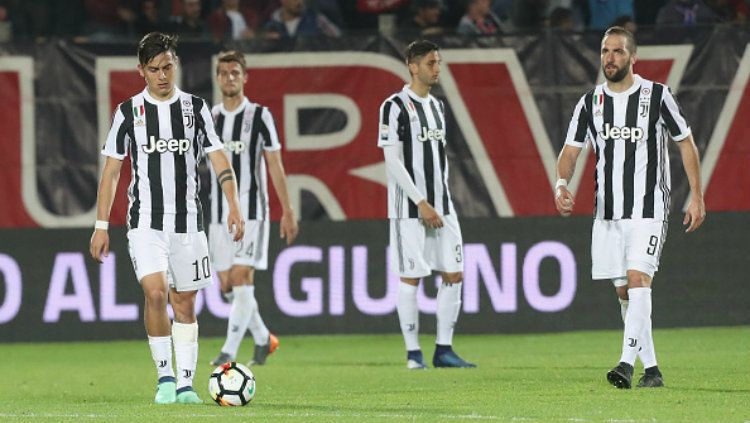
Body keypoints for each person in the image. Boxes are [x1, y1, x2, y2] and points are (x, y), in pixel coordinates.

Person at [89, 32, 244, 404]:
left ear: (175, 65)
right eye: (155, 69)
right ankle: (165, 380)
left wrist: (234, 205)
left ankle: (188, 384)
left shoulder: (195, 108)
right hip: (145, 222)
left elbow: (218, 158)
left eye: (168, 67)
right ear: (141, 70)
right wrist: (100, 225)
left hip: (189, 223)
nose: (162, 75)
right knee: (156, 293)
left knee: (185, 303)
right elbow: (111, 172)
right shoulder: (128, 112)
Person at [555, 26, 705, 389]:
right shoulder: (590, 102)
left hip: (648, 207)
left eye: (618, 51)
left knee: (639, 280)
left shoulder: (657, 95)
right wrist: (561, 184)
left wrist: (697, 195)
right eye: (606, 51)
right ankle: (651, 369)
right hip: (608, 213)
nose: (610, 58)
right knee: (625, 292)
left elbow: (686, 143)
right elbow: (571, 151)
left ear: (633, 57)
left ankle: (624, 364)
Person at [377, 40, 476, 370]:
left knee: (455, 274)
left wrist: (436, 202)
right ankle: (413, 353)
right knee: (412, 277)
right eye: (431, 62)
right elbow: (392, 161)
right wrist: (420, 202)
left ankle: (443, 349)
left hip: (443, 206)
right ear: (412, 65)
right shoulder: (394, 106)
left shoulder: (438, 107)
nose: (437, 68)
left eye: (439, 62)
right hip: (409, 209)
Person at [207, 50, 299, 367]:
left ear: (245, 78)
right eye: (224, 73)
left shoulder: (261, 116)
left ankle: (228, 353)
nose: (229, 78)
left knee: (241, 275)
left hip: (252, 212)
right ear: (217, 78)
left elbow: (275, 165)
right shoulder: (211, 118)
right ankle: (263, 338)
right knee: (226, 284)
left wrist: (287, 210)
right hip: (218, 214)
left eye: (235, 72)